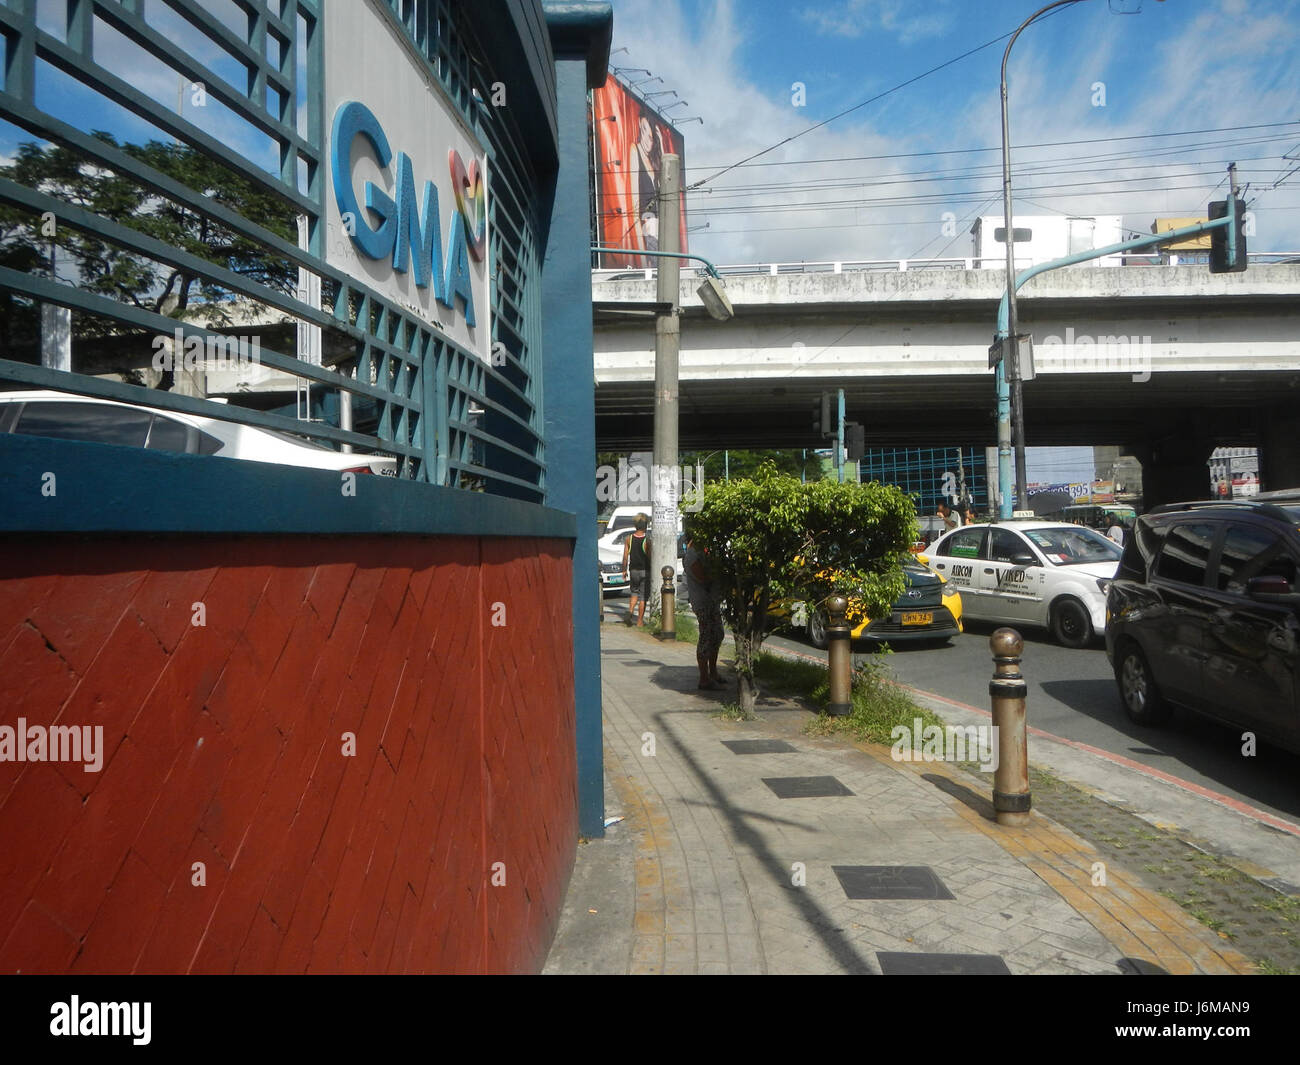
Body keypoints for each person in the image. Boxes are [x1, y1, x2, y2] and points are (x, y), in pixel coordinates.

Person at [683, 527, 725, 690]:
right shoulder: (693, 554)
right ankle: (704, 677)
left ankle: (713, 672)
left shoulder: (701, 551)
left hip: (711, 600)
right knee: (706, 637)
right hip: (702, 601)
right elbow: (702, 577)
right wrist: (717, 574)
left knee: (717, 634)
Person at [622, 513, 651, 627]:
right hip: (645, 570)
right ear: (645, 526)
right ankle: (639, 621)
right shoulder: (647, 541)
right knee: (643, 597)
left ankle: (629, 612)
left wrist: (624, 570)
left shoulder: (629, 539)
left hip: (633, 571)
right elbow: (649, 557)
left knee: (634, 593)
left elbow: (625, 557)